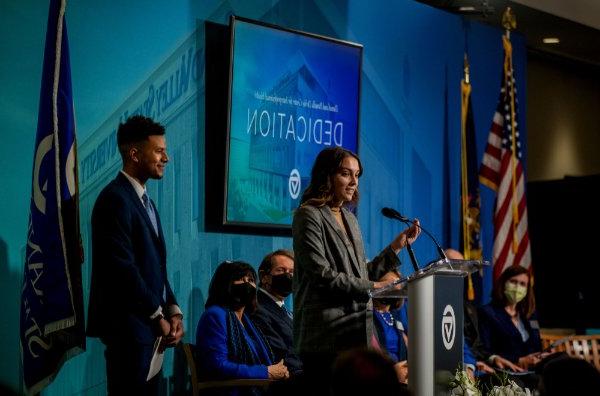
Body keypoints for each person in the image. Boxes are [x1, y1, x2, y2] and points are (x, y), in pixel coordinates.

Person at [292, 147, 421, 394]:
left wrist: (396, 247)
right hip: (324, 337)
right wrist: (376, 287)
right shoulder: (308, 215)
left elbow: (361, 274)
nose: (353, 182)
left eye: (357, 175)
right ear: (327, 175)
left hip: (355, 333)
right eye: (345, 174)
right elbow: (322, 275)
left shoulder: (350, 217)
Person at [87, 115, 184, 395]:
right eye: (159, 150)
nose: (166, 157)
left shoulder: (147, 202)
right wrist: (157, 315)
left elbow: (155, 268)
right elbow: (123, 269)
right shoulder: (114, 199)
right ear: (134, 154)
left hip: (151, 336)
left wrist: (173, 310)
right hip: (130, 334)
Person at [195, 261, 289, 395]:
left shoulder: (247, 321)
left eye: (250, 280)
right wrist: (266, 372)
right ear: (224, 285)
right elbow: (217, 366)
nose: (247, 284)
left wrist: (279, 371)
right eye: (239, 279)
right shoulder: (215, 315)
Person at [478, 265, 548, 372]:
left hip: (534, 368)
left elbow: (536, 345)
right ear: (503, 283)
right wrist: (519, 359)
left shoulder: (529, 314)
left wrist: (541, 355)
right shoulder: (488, 313)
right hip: (508, 370)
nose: (517, 287)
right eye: (513, 282)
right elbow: (485, 350)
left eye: (522, 284)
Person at [251, 250, 303, 376]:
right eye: (281, 270)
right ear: (264, 277)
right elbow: (279, 354)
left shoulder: (284, 310)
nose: (288, 276)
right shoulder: (258, 309)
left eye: (291, 272)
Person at [372, 269, 408, 383]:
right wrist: (393, 371)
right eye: (389, 285)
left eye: (397, 286)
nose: (393, 290)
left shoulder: (394, 318)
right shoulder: (369, 316)